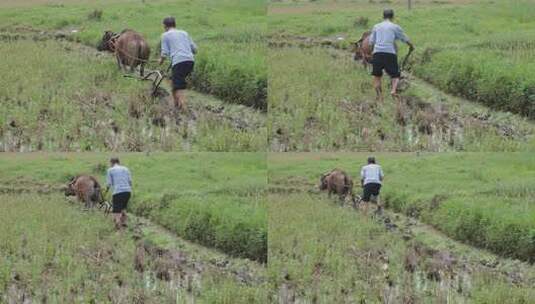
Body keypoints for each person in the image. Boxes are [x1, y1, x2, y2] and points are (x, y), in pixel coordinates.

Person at [369, 9, 414, 102]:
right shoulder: (395, 27)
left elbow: (371, 42)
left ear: (383, 16)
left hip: (377, 53)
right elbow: (404, 38)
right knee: (395, 75)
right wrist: (411, 46)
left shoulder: (376, 26)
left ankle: (379, 96)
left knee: (377, 76)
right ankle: (393, 90)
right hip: (390, 53)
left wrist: (373, 53)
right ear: (393, 17)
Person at [159, 16, 197, 112]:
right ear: (174, 24)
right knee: (175, 85)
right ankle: (176, 107)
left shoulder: (165, 35)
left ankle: (184, 109)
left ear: (164, 26)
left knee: (178, 86)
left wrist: (161, 61)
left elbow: (164, 53)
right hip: (190, 61)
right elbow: (195, 49)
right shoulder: (184, 33)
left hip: (179, 62)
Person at [105, 157, 132, 230]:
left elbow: (109, 184)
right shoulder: (126, 169)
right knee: (123, 209)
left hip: (118, 192)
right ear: (118, 162)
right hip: (127, 192)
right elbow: (130, 182)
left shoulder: (110, 170)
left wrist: (106, 191)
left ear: (111, 163)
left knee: (116, 213)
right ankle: (125, 224)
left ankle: (119, 230)